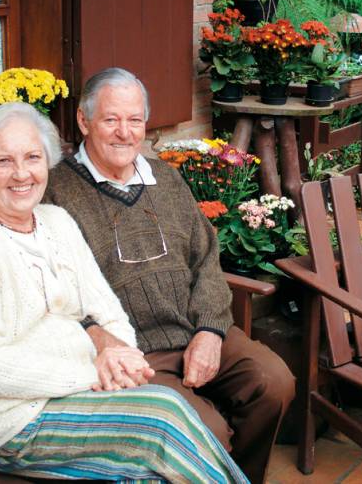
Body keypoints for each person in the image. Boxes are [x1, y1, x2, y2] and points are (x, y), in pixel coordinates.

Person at [0, 101, 248, 483]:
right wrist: (91, 371)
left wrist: (120, 358)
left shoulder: (55, 221)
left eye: (32, 157)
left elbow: (109, 311)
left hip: (76, 393)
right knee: (163, 418)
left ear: (47, 163)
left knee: (156, 466)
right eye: (4, 161)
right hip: (8, 424)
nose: (22, 173)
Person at [44, 68, 295, 484]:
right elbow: (55, 289)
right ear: (84, 122)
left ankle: (242, 477)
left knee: (274, 383)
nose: (124, 132)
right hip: (133, 354)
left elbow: (206, 258)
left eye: (134, 120)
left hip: (194, 329)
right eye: (111, 119)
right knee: (206, 433)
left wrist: (210, 331)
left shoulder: (166, 177)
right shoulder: (56, 192)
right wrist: (101, 340)